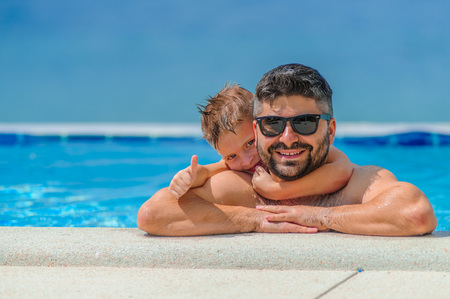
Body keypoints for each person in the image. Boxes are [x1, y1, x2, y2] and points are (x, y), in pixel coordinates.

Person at [137, 63, 437, 237]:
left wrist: (318, 216)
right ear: (256, 129)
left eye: (305, 122)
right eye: (272, 124)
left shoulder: (356, 182)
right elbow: (154, 214)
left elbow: (415, 213)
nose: (288, 137)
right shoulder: (242, 185)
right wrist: (255, 220)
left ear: (330, 131)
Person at [168, 84, 353, 201]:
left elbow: (343, 168)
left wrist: (279, 191)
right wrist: (189, 178)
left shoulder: (291, 151)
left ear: (263, 127)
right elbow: (209, 170)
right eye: (232, 156)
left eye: (249, 143)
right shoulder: (234, 165)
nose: (246, 161)